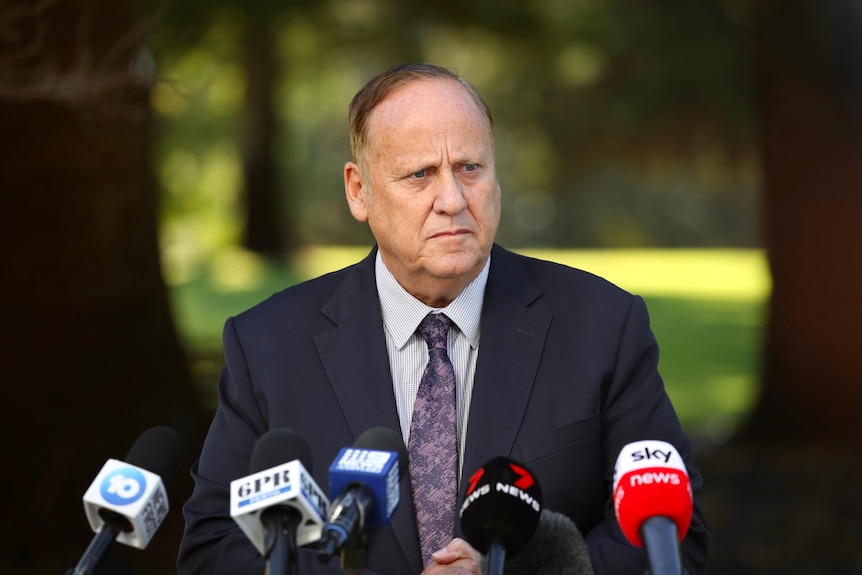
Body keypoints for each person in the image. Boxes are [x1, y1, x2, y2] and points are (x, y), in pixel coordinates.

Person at [177, 62, 709, 575]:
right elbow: (212, 549)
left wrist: (510, 570)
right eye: (420, 174)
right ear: (358, 191)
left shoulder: (603, 326)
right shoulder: (268, 347)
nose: (452, 200)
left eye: (469, 169)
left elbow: (675, 538)